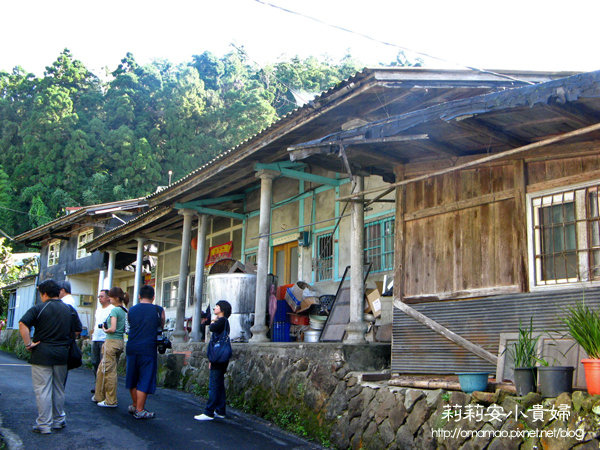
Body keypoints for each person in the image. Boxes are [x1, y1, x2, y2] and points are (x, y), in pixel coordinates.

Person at [19, 279, 82, 434]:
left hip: (41, 353)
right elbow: (77, 331)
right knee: (58, 388)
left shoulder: (39, 308)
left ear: (45, 294)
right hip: (62, 354)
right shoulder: (69, 309)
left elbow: (23, 324)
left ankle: (44, 424)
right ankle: (58, 420)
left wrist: (28, 344)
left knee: (43, 389)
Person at [125, 284, 165, 419]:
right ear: (153, 297)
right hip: (148, 348)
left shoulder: (131, 310)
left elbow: (130, 325)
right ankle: (140, 410)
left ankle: (135, 405)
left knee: (133, 376)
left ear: (139, 296)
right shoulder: (159, 310)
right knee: (145, 378)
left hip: (132, 346)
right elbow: (161, 326)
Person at [194, 300, 232, 421]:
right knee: (219, 384)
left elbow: (212, 327)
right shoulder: (225, 322)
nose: (214, 308)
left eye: (216, 306)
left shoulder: (221, 321)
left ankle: (209, 411)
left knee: (214, 385)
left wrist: (212, 320)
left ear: (222, 309)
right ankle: (220, 410)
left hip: (218, 357)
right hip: (221, 357)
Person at [92, 287, 128, 407]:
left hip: (111, 341)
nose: (109, 299)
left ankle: (110, 400)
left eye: (111, 297)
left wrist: (104, 329)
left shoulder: (114, 311)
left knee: (109, 372)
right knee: (102, 370)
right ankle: (99, 395)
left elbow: (112, 328)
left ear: (116, 298)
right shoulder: (124, 310)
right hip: (119, 342)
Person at [90, 289, 114, 393]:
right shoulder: (98, 309)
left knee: (103, 364)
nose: (100, 298)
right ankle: (97, 385)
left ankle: (104, 387)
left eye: (102, 296)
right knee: (95, 362)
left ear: (108, 298)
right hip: (96, 337)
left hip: (105, 339)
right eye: (99, 296)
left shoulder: (112, 309)